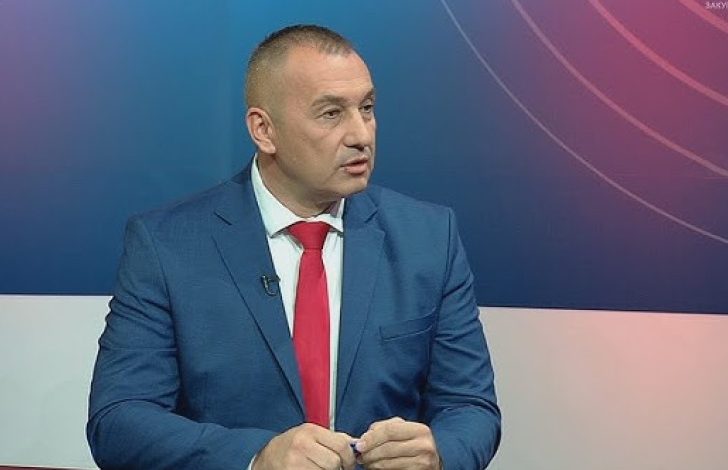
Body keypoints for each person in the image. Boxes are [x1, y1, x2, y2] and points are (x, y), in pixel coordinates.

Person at [87, 24, 501, 470]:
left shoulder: (429, 237)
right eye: (331, 113)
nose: (361, 134)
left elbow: (471, 408)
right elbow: (119, 421)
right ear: (264, 130)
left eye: (367, 108)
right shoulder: (166, 246)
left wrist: (439, 452)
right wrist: (256, 457)